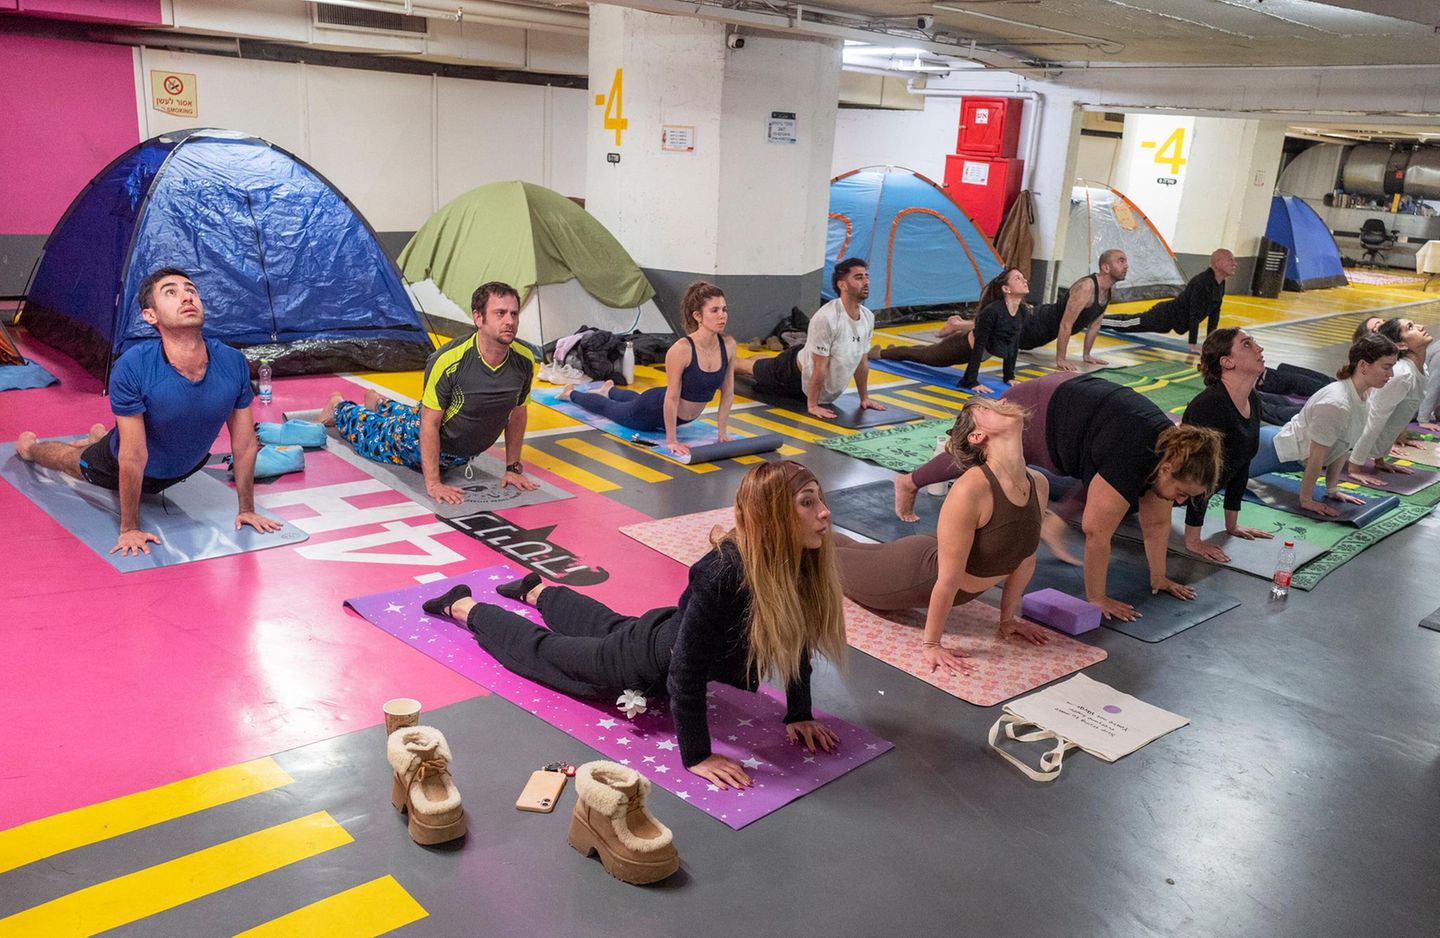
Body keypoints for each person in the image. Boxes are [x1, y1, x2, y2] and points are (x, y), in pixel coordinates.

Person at [421, 461, 848, 790]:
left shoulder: (799, 563)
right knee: (544, 654)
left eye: (819, 499)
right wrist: (697, 756)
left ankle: (534, 590)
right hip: (643, 663)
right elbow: (686, 670)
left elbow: (798, 644)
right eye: (807, 502)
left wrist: (799, 713)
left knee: (605, 623)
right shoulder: (723, 571)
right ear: (772, 515)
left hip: (664, 630)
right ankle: (462, 605)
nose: (824, 513)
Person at [896, 373, 1222, 620]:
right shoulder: (1134, 454)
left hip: (1078, 409)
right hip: (1039, 407)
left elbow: (1156, 522)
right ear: (1167, 468)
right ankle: (911, 481)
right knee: (979, 458)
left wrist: (1159, 577)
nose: (1180, 502)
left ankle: (1054, 522)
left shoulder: (1165, 453)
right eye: (1181, 494)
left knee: (1105, 489)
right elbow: (1096, 532)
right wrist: (1097, 599)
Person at [17, 268, 281, 556]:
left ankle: (100, 437)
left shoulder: (232, 362)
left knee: (118, 439)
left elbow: (244, 445)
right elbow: (132, 456)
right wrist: (129, 528)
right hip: (121, 463)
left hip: (187, 466)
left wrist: (248, 509)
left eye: (190, 289)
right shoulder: (133, 366)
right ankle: (33, 449)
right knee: (72, 461)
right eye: (171, 292)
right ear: (150, 316)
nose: (186, 296)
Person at [833, 398, 1053, 675]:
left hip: (928, 554)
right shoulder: (972, 487)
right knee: (826, 556)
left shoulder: (1038, 483)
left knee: (842, 547)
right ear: (977, 435)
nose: (1004, 401)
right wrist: (932, 644)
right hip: (913, 576)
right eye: (986, 407)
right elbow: (947, 579)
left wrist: (1007, 620)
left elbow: (1025, 559)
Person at [319, 281, 537, 504]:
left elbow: (518, 413)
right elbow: (429, 423)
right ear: (478, 318)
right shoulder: (448, 360)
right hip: (419, 436)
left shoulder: (524, 360)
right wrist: (433, 483)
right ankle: (339, 407)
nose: (510, 321)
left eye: (514, 313)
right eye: (500, 313)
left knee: (416, 414)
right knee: (372, 436)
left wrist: (513, 468)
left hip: (448, 438)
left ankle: (380, 403)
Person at [561, 282, 736, 458]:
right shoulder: (682, 349)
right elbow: (672, 397)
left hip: (673, 412)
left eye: (724, 309)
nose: (722, 316)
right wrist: (671, 441)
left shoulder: (728, 345)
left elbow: (728, 392)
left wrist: (722, 433)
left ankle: (609, 389)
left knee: (633, 400)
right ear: (698, 316)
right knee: (611, 409)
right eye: (714, 310)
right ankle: (570, 394)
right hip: (651, 410)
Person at [1247, 333, 1399, 517]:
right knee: (1212, 481)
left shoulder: (1363, 397)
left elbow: (1342, 446)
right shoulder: (1337, 404)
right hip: (1265, 450)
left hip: (1283, 448)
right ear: (1363, 365)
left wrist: (1332, 489)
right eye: (1386, 367)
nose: (1391, 374)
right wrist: (1306, 500)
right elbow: (1316, 457)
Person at [733, 258, 884, 420]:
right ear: (842, 285)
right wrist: (812, 406)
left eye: (866, 276)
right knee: (750, 368)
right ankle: (718, 361)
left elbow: (862, 364)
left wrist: (864, 398)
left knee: (763, 363)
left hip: (806, 360)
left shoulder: (867, 317)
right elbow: (818, 367)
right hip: (791, 374)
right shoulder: (828, 317)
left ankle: (760, 361)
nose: (866, 282)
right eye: (859, 277)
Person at [1179, 328, 1273, 563]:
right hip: (1160, 487)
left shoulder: (1252, 399)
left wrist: (1232, 525)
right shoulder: (1209, 406)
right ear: (1227, 362)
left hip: (1191, 489)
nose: (1259, 349)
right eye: (1247, 345)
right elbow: (1195, 473)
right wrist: (1193, 539)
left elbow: (1242, 463)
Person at [868, 267, 1030, 392]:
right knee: (921, 355)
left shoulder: (1022, 311)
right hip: (958, 348)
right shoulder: (992, 312)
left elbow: (1013, 344)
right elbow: (979, 346)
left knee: (924, 351)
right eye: (1018, 278)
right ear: (1006, 289)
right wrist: (971, 381)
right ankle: (880, 353)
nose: (1024, 280)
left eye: (1023, 277)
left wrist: (1009, 376)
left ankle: (894, 351)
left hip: (976, 353)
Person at [1348, 318, 1439, 486]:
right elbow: (1373, 418)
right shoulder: (1401, 375)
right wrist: (1355, 467)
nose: (1421, 326)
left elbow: (1396, 419)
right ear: (1402, 345)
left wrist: (1379, 460)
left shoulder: (1420, 369)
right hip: (1337, 441)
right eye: (1410, 327)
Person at [1105, 249, 1236, 350]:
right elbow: (1194, 313)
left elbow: (1214, 313)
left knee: (1129, 321)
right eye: (1230, 260)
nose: (1234, 264)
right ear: (1218, 263)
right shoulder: (1201, 282)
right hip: (1163, 315)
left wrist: (1210, 343)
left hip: (1170, 322)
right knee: (1126, 323)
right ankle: (1098, 321)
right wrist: (1192, 344)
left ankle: (1099, 319)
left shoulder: (1220, 283)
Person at [1051, 249, 1127, 371]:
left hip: (1047, 334)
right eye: (1121, 261)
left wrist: (1086, 354)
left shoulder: (1110, 288)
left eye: (1125, 262)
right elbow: (1065, 324)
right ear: (1106, 267)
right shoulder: (1086, 287)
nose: (1126, 266)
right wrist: (1061, 359)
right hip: (1037, 326)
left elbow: (1095, 323)